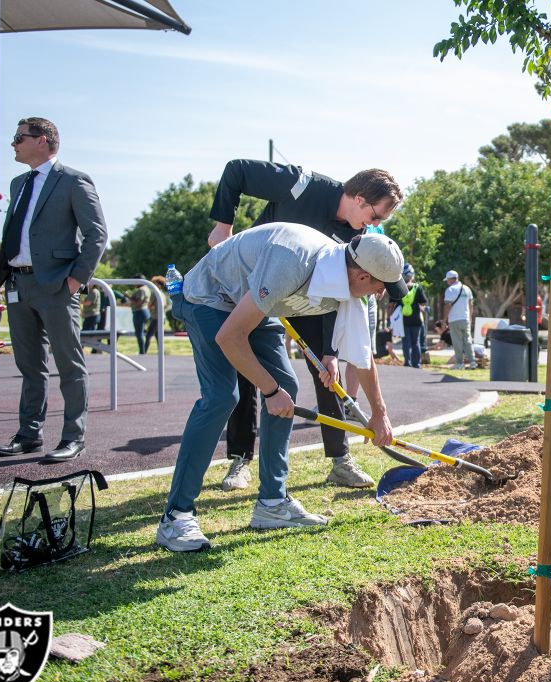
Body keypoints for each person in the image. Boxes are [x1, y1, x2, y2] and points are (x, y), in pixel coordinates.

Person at [156, 224, 407, 552]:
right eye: (381, 287)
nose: (380, 295)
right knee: (222, 396)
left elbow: (363, 357)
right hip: (209, 296)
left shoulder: (352, 283)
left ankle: (272, 504)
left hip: (253, 302)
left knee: (286, 383)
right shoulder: (292, 262)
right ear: (363, 277)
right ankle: (176, 516)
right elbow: (229, 337)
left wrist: (379, 413)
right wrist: (271, 392)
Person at [204, 160, 403, 491]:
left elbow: (336, 290)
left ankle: (340, 461)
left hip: (308, 298)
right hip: (262, 286)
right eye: (376, 216)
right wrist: (223, 227)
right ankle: (240, 461)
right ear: (359, 199)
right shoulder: (302, 184)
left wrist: (329, 351)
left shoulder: (356, 237)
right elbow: (236, 170)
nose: (375, 225)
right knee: (248, 365)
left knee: (329, 372)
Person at [0, 117, 108, 464]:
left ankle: (73, 437)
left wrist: (75, 280)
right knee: (29, 365)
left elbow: (97, 234)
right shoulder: (18, 184)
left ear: (42, 140)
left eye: (19, 137)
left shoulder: (73, 180)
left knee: (70, 364)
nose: (14, 143)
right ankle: (29, 434)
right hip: (18, 283)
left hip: (56, 285)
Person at [396, 263, 428, 368]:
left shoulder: (399, 288)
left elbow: (392, 304)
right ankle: (416, 363)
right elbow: (423, 302)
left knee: (406, 342)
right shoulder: (417, 288)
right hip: (417, 319)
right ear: (412, 275)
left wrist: (389, 317)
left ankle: (407, 362)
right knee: (416, 342)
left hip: (404, 319)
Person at [443, 270, 475, 370]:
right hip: (465, 318)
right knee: (468, 341)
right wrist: (470, 317)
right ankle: (472, 362)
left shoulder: (450, 290)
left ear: (450, 279)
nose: (447, 282)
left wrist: (445, 320)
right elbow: (471, 304)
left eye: (447, 280)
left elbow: (448, 306)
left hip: (454, 319)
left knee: (457, 342)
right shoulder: (467, 289)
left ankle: (460, 363)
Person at [128, 274, 153, 354]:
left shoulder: (141, 290)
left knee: (139, 333)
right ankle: (142, 351)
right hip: (144, 311)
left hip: (139, 312)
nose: (134, 284)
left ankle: (142, 352)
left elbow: (138, 302)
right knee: (141, 333)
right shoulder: (147, 288)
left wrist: (128, 296)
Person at [144, 275, 168, 354]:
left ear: (159, 284)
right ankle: (161, 351)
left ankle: (143, 352)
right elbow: (165, 305)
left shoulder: (155, 293)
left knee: (148, 335)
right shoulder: (163, 294)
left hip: (156, 317)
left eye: (154, 283)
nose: (153, 285)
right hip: (162, 317)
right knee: (158, 336)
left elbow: (149, 305)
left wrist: (150, 308)